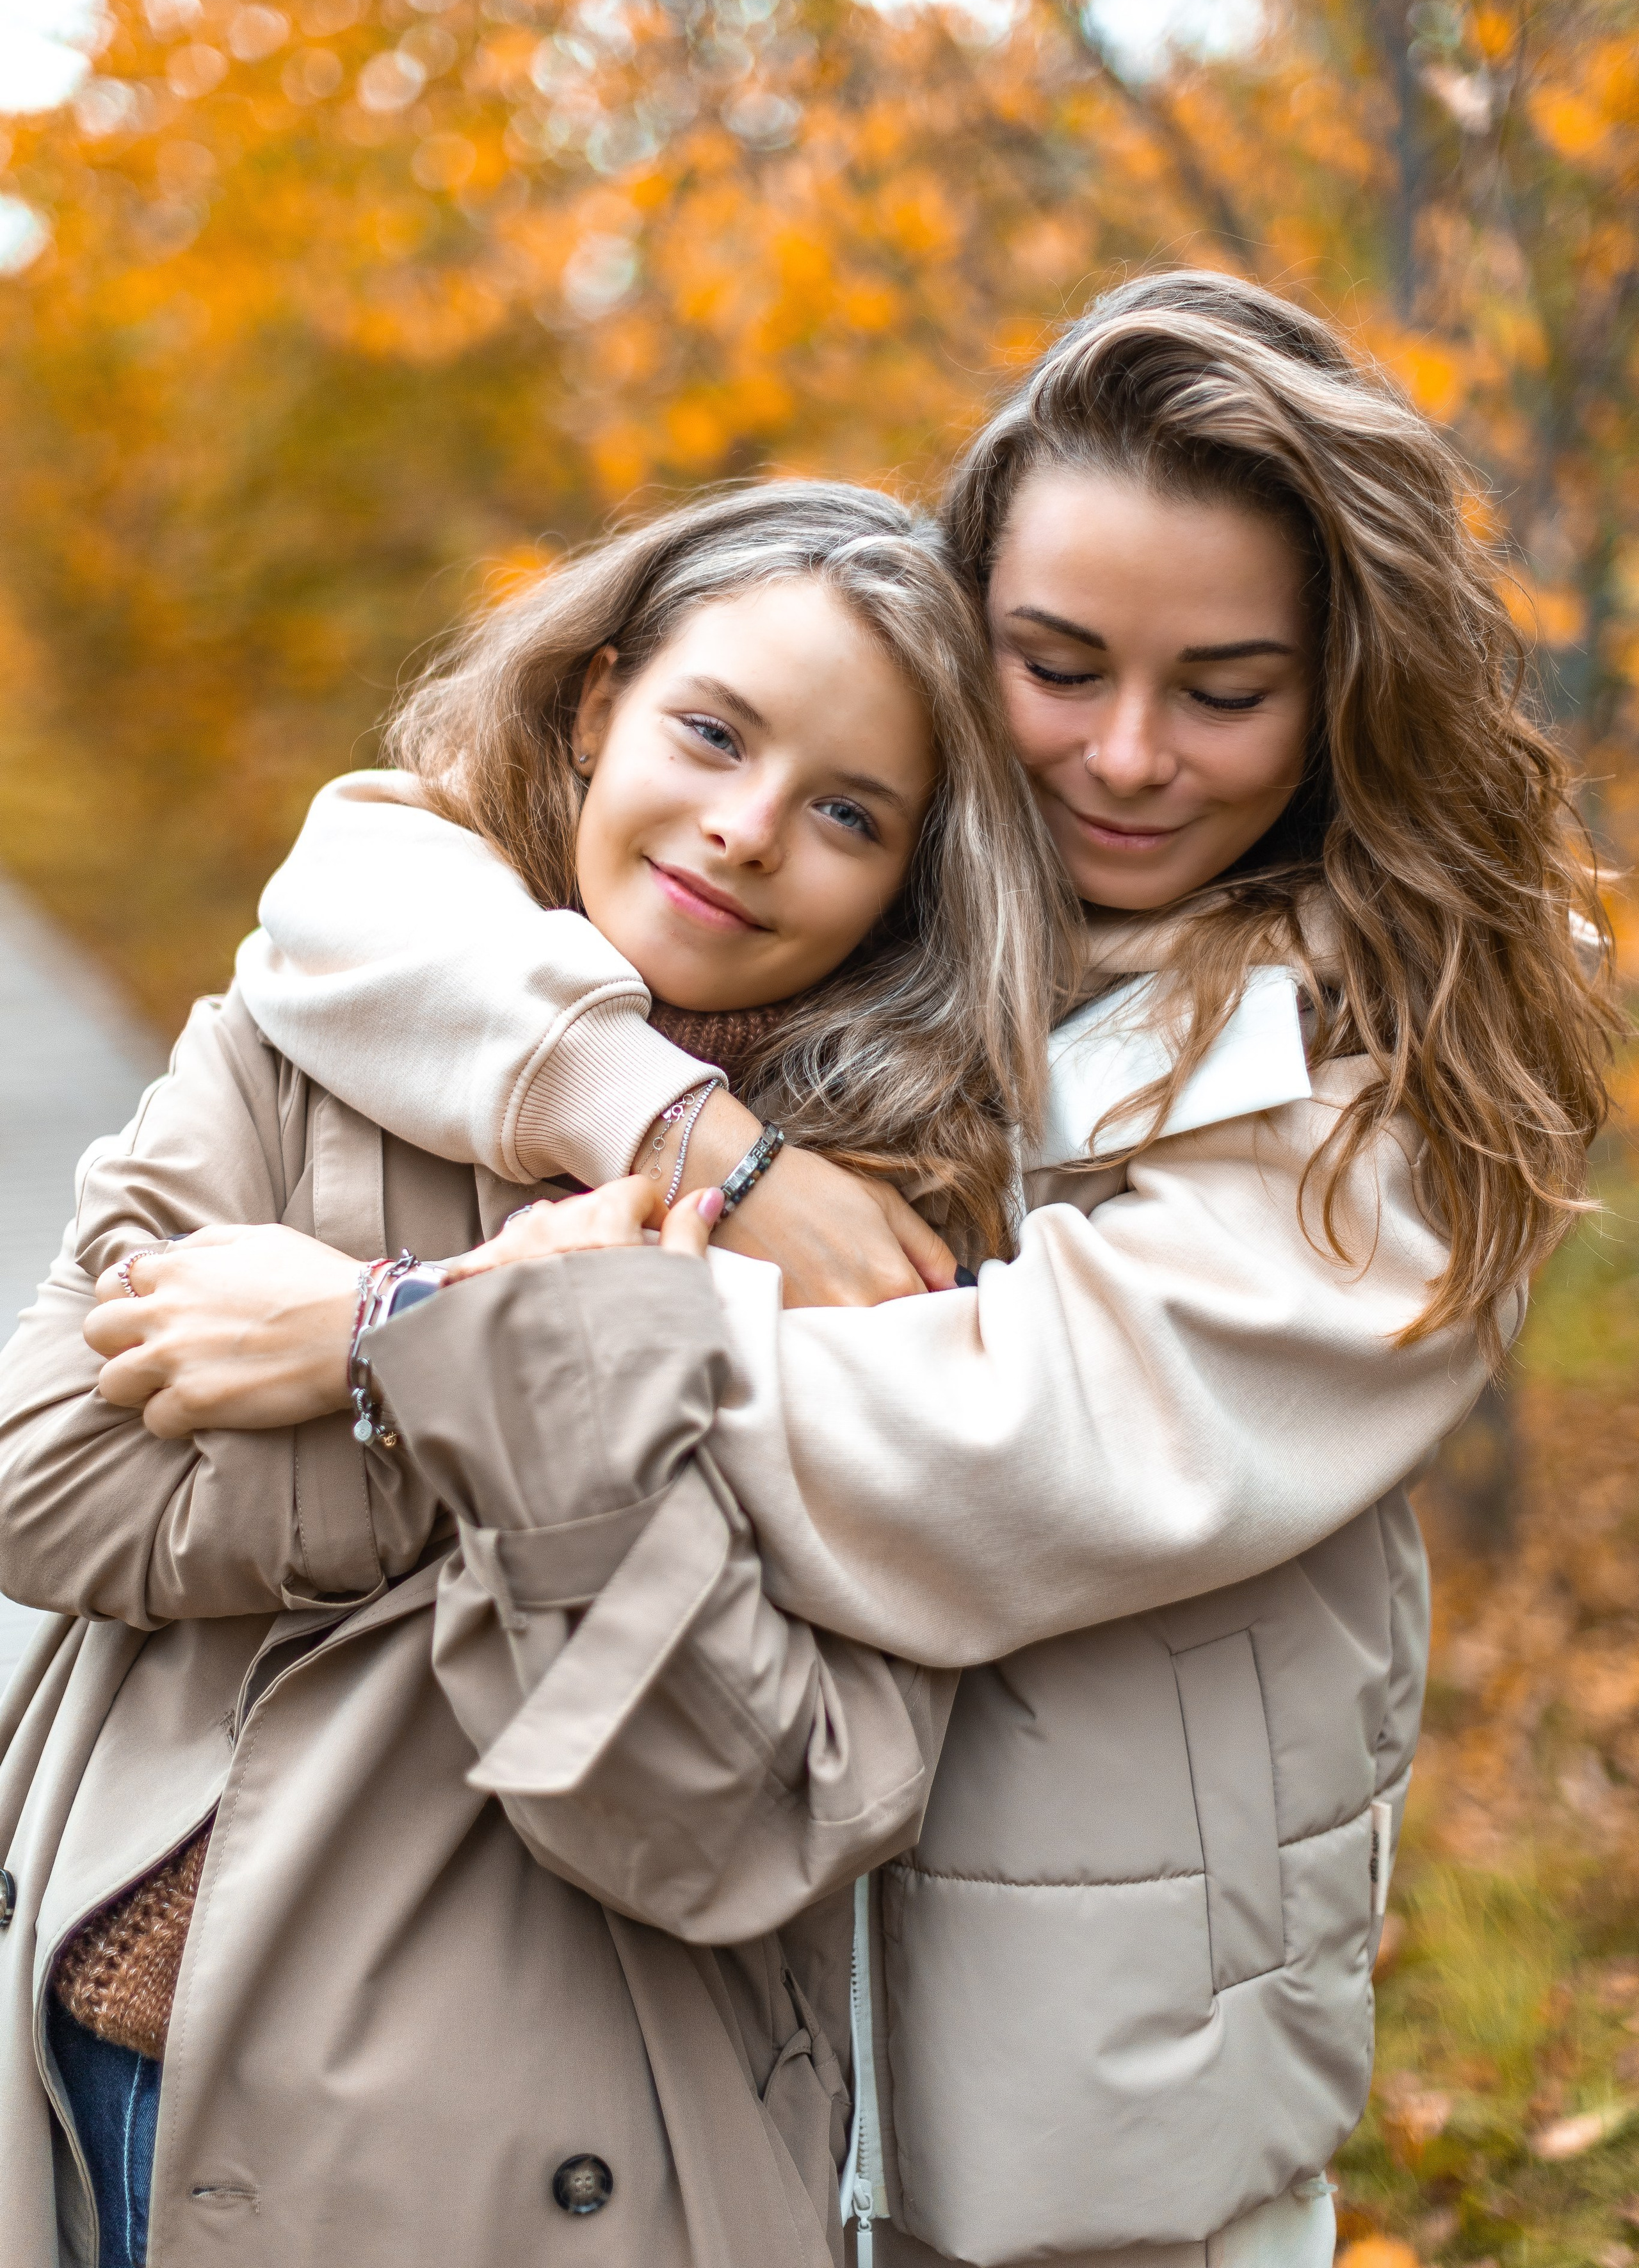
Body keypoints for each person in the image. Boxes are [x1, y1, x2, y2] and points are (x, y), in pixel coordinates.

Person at [95, 271, 1614, 2268]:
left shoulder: (1378, 1097)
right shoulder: (887, 905)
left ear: (1343, 692)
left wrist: (409, 1338)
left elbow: (977, 1454)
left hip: (1074, 2173)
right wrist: (685, 1131)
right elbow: (357, 892)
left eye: (1224, 691)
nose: (1128, 758)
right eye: (1055, 666)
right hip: (703, 2094)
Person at [0, 481, 1067, 2268]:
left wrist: (412, 1353)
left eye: (847, 813)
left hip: (531, 2167)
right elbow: (45, 1474)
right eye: (712, 734)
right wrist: (436, 1342)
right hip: (111, 2080)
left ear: (910, 878)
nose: (741, 830)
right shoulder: (299, 1041)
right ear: (598, 706)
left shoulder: (881, 1244)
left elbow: (745, 1812)